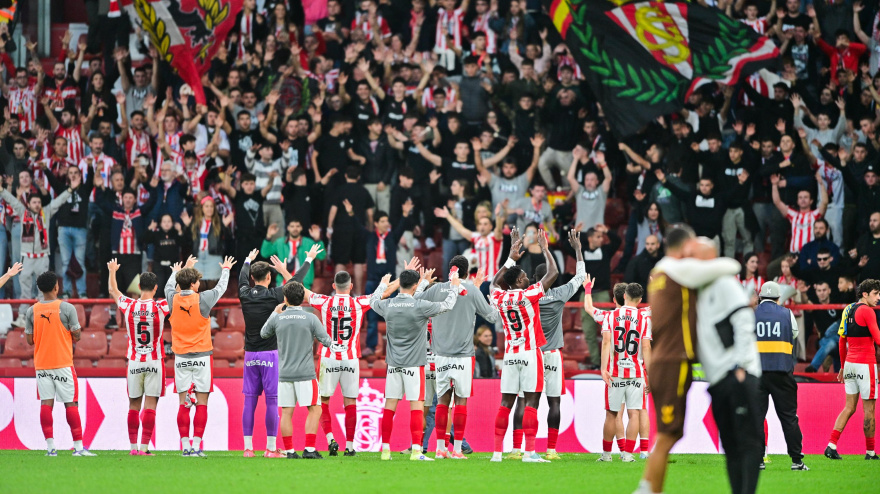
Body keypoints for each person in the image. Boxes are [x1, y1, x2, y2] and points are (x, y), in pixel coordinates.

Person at [637, 225, 740, 494]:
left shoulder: (659, 271)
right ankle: (646, 489)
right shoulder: (677, 269)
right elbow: (730, 266)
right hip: (674, 359)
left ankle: (649, 489)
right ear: (685, 247)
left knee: (670, 433)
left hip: (664, 359)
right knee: (667, 435)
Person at [687, 239, 764, 494]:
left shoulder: (724, 284)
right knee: (730, 444)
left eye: (695, 256)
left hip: (738, 375)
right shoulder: (699, 289)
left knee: (747, 442)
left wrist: (740, 367)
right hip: (719, 379)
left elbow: (743, 319)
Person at [369, 267, 461, 461]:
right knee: (417, 408)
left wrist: (383, 285)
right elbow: (447, 305)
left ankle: (385, 451)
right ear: (415, 285)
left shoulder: (389, 305)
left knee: (389, 407)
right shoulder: (420, 306)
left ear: (400, 283)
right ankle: (417, 452)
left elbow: (372, 301)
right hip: (414, 365)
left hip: (393, 365)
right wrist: (454, 287)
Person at [511, 229, 585, 460]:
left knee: (523, 400)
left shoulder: (526, 294)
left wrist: (512, 253)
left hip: (531, 353)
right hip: (552, 354)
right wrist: (578, 251)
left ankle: (516, 449)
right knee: (554, 401)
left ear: (534, 279)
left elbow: (504, 283)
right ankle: (551, 450)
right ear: (552, 279)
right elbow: (581, 278)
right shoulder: (560, 293)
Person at [414, 254, 497, 459]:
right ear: (467, 272)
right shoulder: (471, 291)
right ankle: (457, 449)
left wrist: (424, 282)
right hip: (463, 355)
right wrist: (490, 297)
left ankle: (440, 448)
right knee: (460, 402)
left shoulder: (436, 289)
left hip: (440, 355)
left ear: (450, 269)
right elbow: (493, 317)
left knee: (442, 401)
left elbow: (415, 301)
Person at [238, 246, 317, 459]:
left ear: (253, 278)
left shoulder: (244, 293)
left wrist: (247, 259)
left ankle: (247, 449)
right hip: (271, 354)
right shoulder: (274, 295)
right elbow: (296, 283)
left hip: (250, 355)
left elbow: (242, 277)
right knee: (272, 401)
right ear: (269, 277)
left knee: (249, 401)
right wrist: (308, 259)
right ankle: (271, 449)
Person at [489, 227, 558, 463]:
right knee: (531, 401)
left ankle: (497, 453)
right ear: (519, 281)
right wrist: (546, 249)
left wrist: (510, 256)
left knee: (505, 403)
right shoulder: (528, 294)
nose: (529, 277)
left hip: (510, 356)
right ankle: (529, 452)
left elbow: (495, 283)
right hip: (530, 353)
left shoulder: (499, 297)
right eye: (525, 276)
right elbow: (554, 273)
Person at [165, 254, 236, 457]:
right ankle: (197, 446)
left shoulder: (171, 298)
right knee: (202, 403)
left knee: (183, 403)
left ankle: (185, 446)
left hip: (181, 358)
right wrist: (226, 269)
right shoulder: (203, 299)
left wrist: (176, 271)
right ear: (195, 284)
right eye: (197, 281)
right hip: (202, 357)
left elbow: (169, 285)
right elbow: (221, 288)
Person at [260, 281, 339, 459]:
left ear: (285, 298)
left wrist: (275, 312)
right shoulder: (311, 318)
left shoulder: (278, 318)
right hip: (305, 373)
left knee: (287, 412)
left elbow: (263, 333)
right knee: (315, 409)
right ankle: (310, 450)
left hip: (285, 374)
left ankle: (289, 452)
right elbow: (326, 341)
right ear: (303, 299)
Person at [24, 268, 98, 456]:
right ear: (57, 286)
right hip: (63, 363)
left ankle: (50, 448)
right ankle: (79, 448)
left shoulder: (31, 311)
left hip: (42, 364)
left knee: (46, 404)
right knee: (70, 404)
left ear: (40, 289)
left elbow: (30, 340)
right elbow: (77, 336)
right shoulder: (66, 308)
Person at [305, 270, 374, 457]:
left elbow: (300, 290)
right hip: (350, 358)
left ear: (333, 286)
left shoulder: (325, 301)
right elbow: (383, 293)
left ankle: (330, 439)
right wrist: (400, 279)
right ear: (351, 286)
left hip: (328, 357)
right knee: (350, 402)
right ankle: (350, 447)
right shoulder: (358, 302)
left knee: (323, 401)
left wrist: (285, 272)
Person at [107, 260, 169, 457]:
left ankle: (133, 448)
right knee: (150, 405)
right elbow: (178, 296)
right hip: (155, 361)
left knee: (134, 405)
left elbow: (113, 291)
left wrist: (112, 271)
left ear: (139, 286)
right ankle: (144, 448)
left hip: (134, 362)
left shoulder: (129, 305)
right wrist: (177, 272)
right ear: (156, 287)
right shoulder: (161, 306)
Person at [753, 282, 808, 471]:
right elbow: (794, 334)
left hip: (756, 373)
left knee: (756, 417)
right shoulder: (787, 314)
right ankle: (796, 461)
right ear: (778, 298)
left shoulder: (750, 314)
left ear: (760, 297)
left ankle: (758, 460)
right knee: (789, 418)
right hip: (782, 373)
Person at [824, 279, 880, 461]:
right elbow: (878, 339)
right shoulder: (868, 311)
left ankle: (831, 445)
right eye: (876, 294)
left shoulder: (848, 309)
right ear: (865, 294)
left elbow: (842, 340)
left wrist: (842, 366)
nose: (878, 298)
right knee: (869, 410)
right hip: (866, 364)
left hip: (849, 364)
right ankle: (870, 452)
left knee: (849, 407)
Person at [598, 283, 651, 463]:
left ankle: (606, 455)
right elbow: (646, 346)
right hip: (636, 373)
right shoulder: (644, 319)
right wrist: (649, 374)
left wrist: (603, 368)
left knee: (612, 414)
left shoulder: (610, 316)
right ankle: (628, 455)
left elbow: (606, 342)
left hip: (615, 372)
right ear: (640, 300)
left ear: (625, 296)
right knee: (634, 413)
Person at [0, 177, 72, 298]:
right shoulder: (23, 212)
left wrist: (70, 190)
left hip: (42, 257)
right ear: (28, 204)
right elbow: (12, 200)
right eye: (34, 202)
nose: (37, 205)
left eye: (38, 202)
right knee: (25, 289)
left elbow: (59, 200)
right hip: (27, 257)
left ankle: (40, 314)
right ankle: (23, 314)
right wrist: (1, 190)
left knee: (43, 289)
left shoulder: (46, 212)